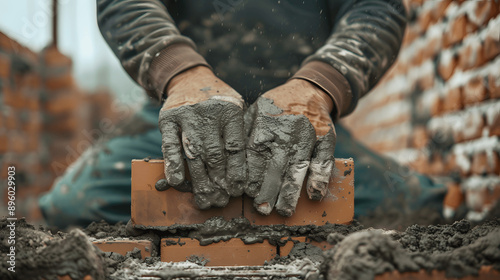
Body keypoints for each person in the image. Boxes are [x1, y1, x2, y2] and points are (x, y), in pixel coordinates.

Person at [39, 0, 447, 228]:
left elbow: (377, 9)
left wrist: (319, 86)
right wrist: (182, 74)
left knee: (417, 207)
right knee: (72, 205)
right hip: (182, 111)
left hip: (303, 121)